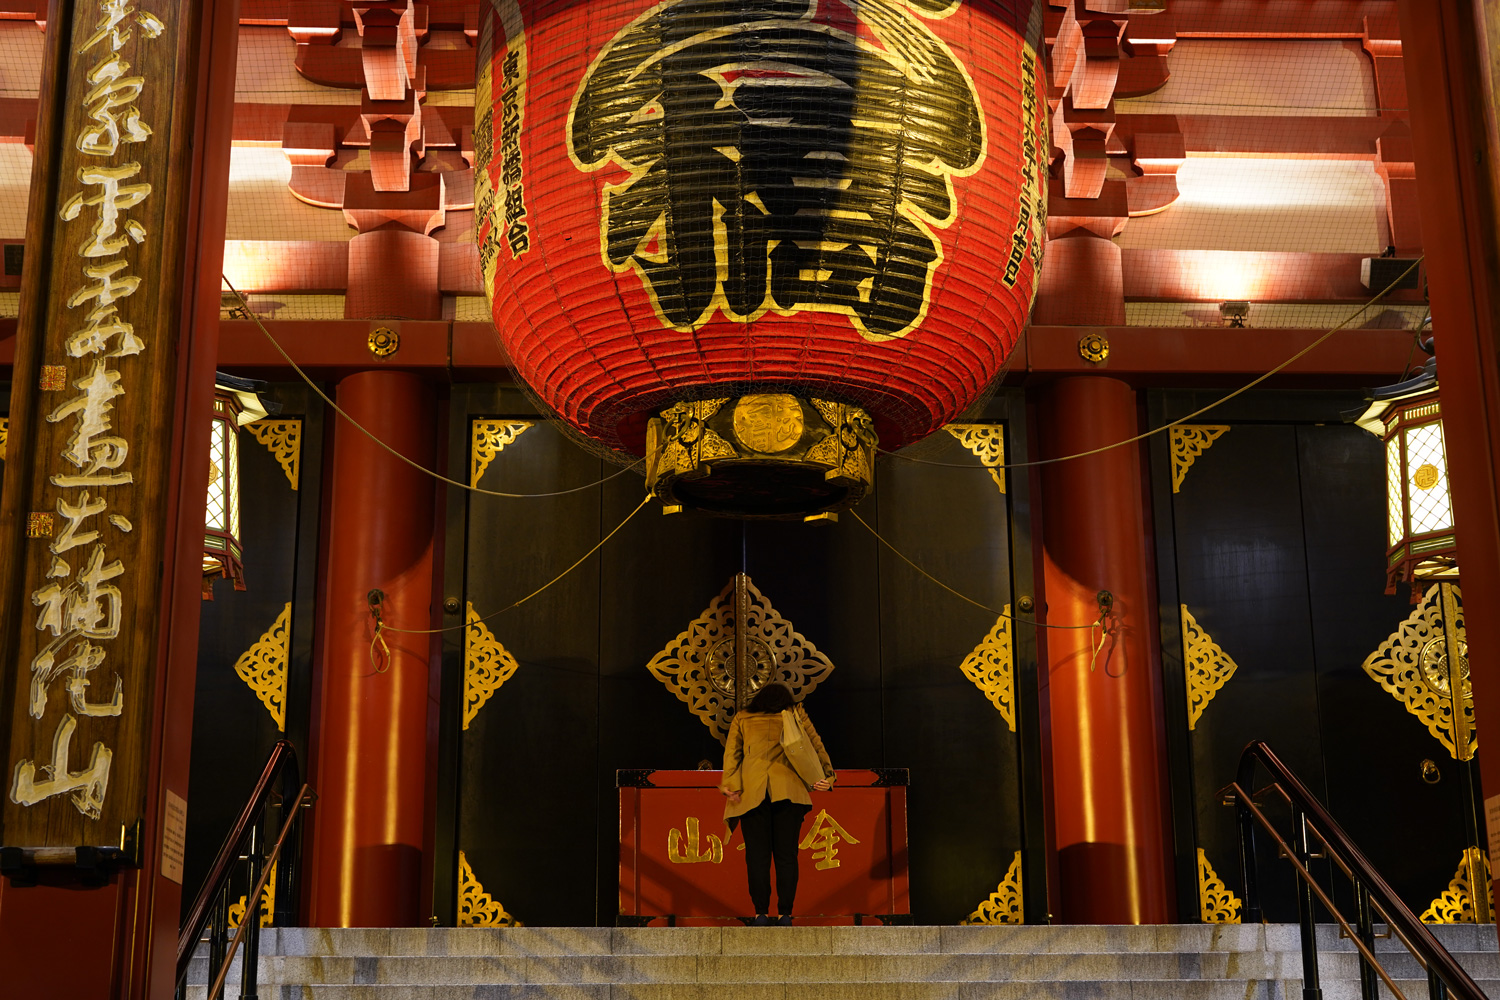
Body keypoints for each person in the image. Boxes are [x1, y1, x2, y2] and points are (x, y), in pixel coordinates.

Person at [719, 682, 834, 926]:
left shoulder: (743, 717)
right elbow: (815, 744)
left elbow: (732, 754)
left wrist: (730, 784)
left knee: (757, 856)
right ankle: (785, 914)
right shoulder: (795, 713)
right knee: (786, 856)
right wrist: (828, 775)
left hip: (752, 794)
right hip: (789, 792)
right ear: (787, 700)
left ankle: (760, 912)